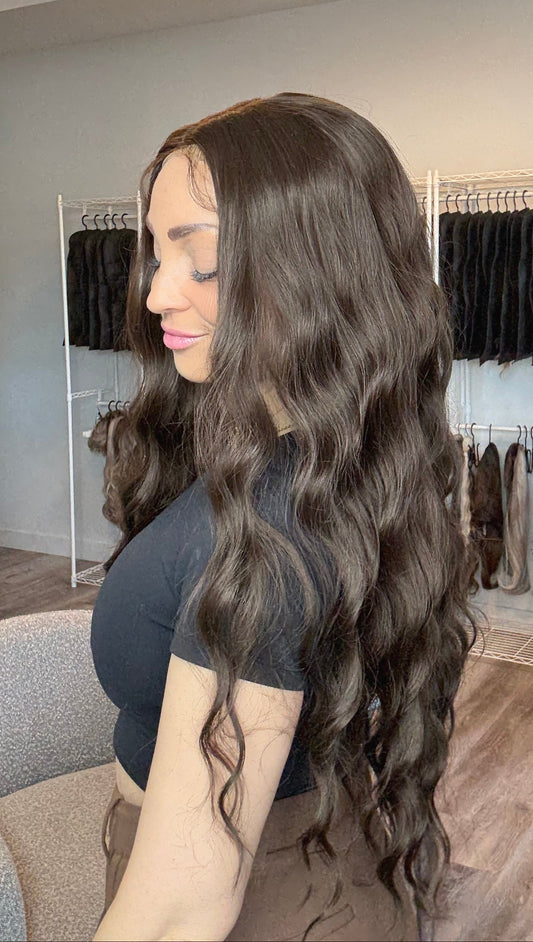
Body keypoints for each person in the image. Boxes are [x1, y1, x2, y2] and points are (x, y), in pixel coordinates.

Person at [90, 92, 482, 942]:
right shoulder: (331, 462)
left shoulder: (270, 532)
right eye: (155, 254)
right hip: (307, 850)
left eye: (199, 260)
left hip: (263, 896)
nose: (157, 295)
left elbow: (179, 909)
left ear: (311, 271)